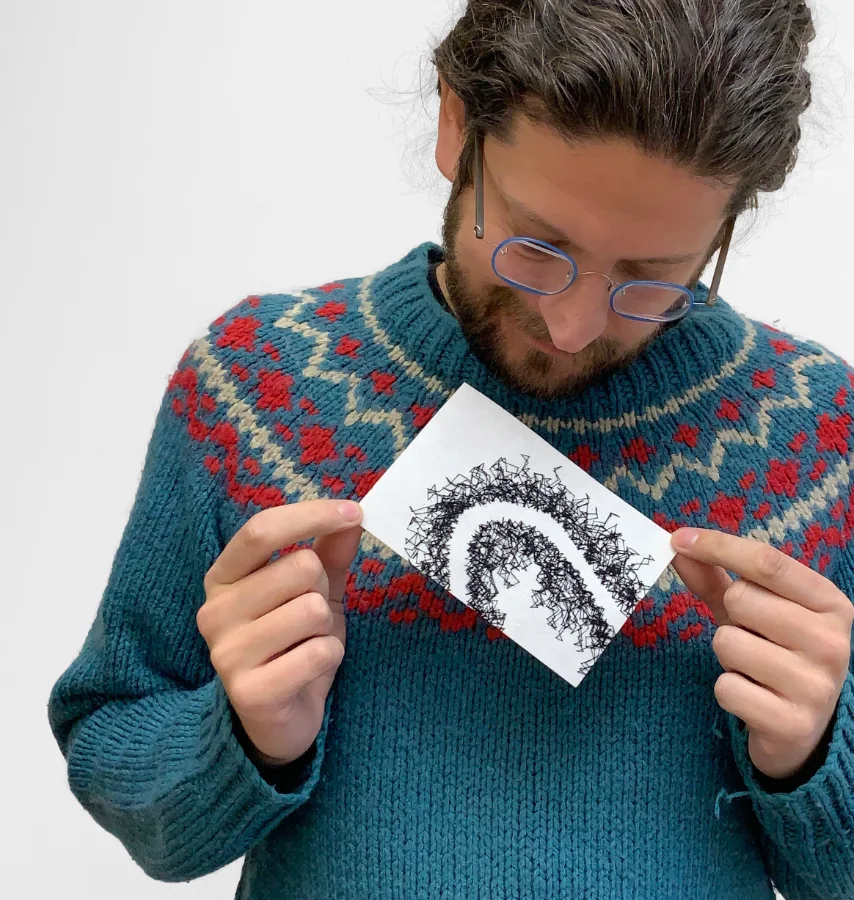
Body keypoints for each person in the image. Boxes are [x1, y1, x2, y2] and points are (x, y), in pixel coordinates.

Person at [49, 1, 854, 898]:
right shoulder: (256, 383)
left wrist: (814, 754)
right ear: (455, 124)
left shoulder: (820, 437)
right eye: (539, 245)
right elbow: (119, 762)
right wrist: (240, 737)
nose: (571, 322)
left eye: (650, 277)